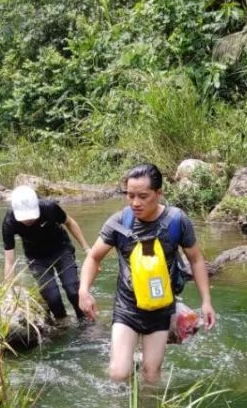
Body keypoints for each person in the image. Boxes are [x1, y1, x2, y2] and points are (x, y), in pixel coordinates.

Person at [79, 163, 216, 383]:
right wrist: (83, 290)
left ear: (159, 193)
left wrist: (206, 302)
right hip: (127, 306)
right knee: (118, 374)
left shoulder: (176, 221)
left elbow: (196, 259)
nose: (135, 202)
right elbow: (94, 257)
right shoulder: (119, 222)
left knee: (151, 376)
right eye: (130, 195)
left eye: (143, 196)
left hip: (161, 307)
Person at [2, 185, 91, 323]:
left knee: (73, 290)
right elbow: (9, 260)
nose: (28, 221)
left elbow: (70, 223)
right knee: (52, 297)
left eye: (31, 216)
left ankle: (86, 320)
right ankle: (63, 322)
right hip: (36, 257)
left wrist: (86, 249)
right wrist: (10, 292)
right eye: (24, 218)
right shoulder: (10, 221)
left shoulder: (49, 207)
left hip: (61, 249)